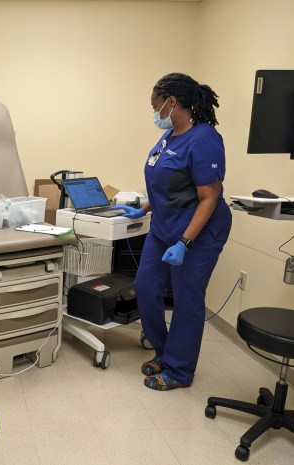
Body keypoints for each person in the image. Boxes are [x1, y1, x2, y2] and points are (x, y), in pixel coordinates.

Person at [116, 73, 232, 391]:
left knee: (186, 299)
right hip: (164, 226)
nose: (154, 113)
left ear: (172, 102)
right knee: (146, 287)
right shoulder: (169, 136)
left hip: (199, 232)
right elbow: (169, 184)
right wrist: (141, 209)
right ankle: (165, 352)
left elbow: (208, 198)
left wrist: (184, 242)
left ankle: (179, 371)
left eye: (156, 106)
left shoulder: (204, 138)